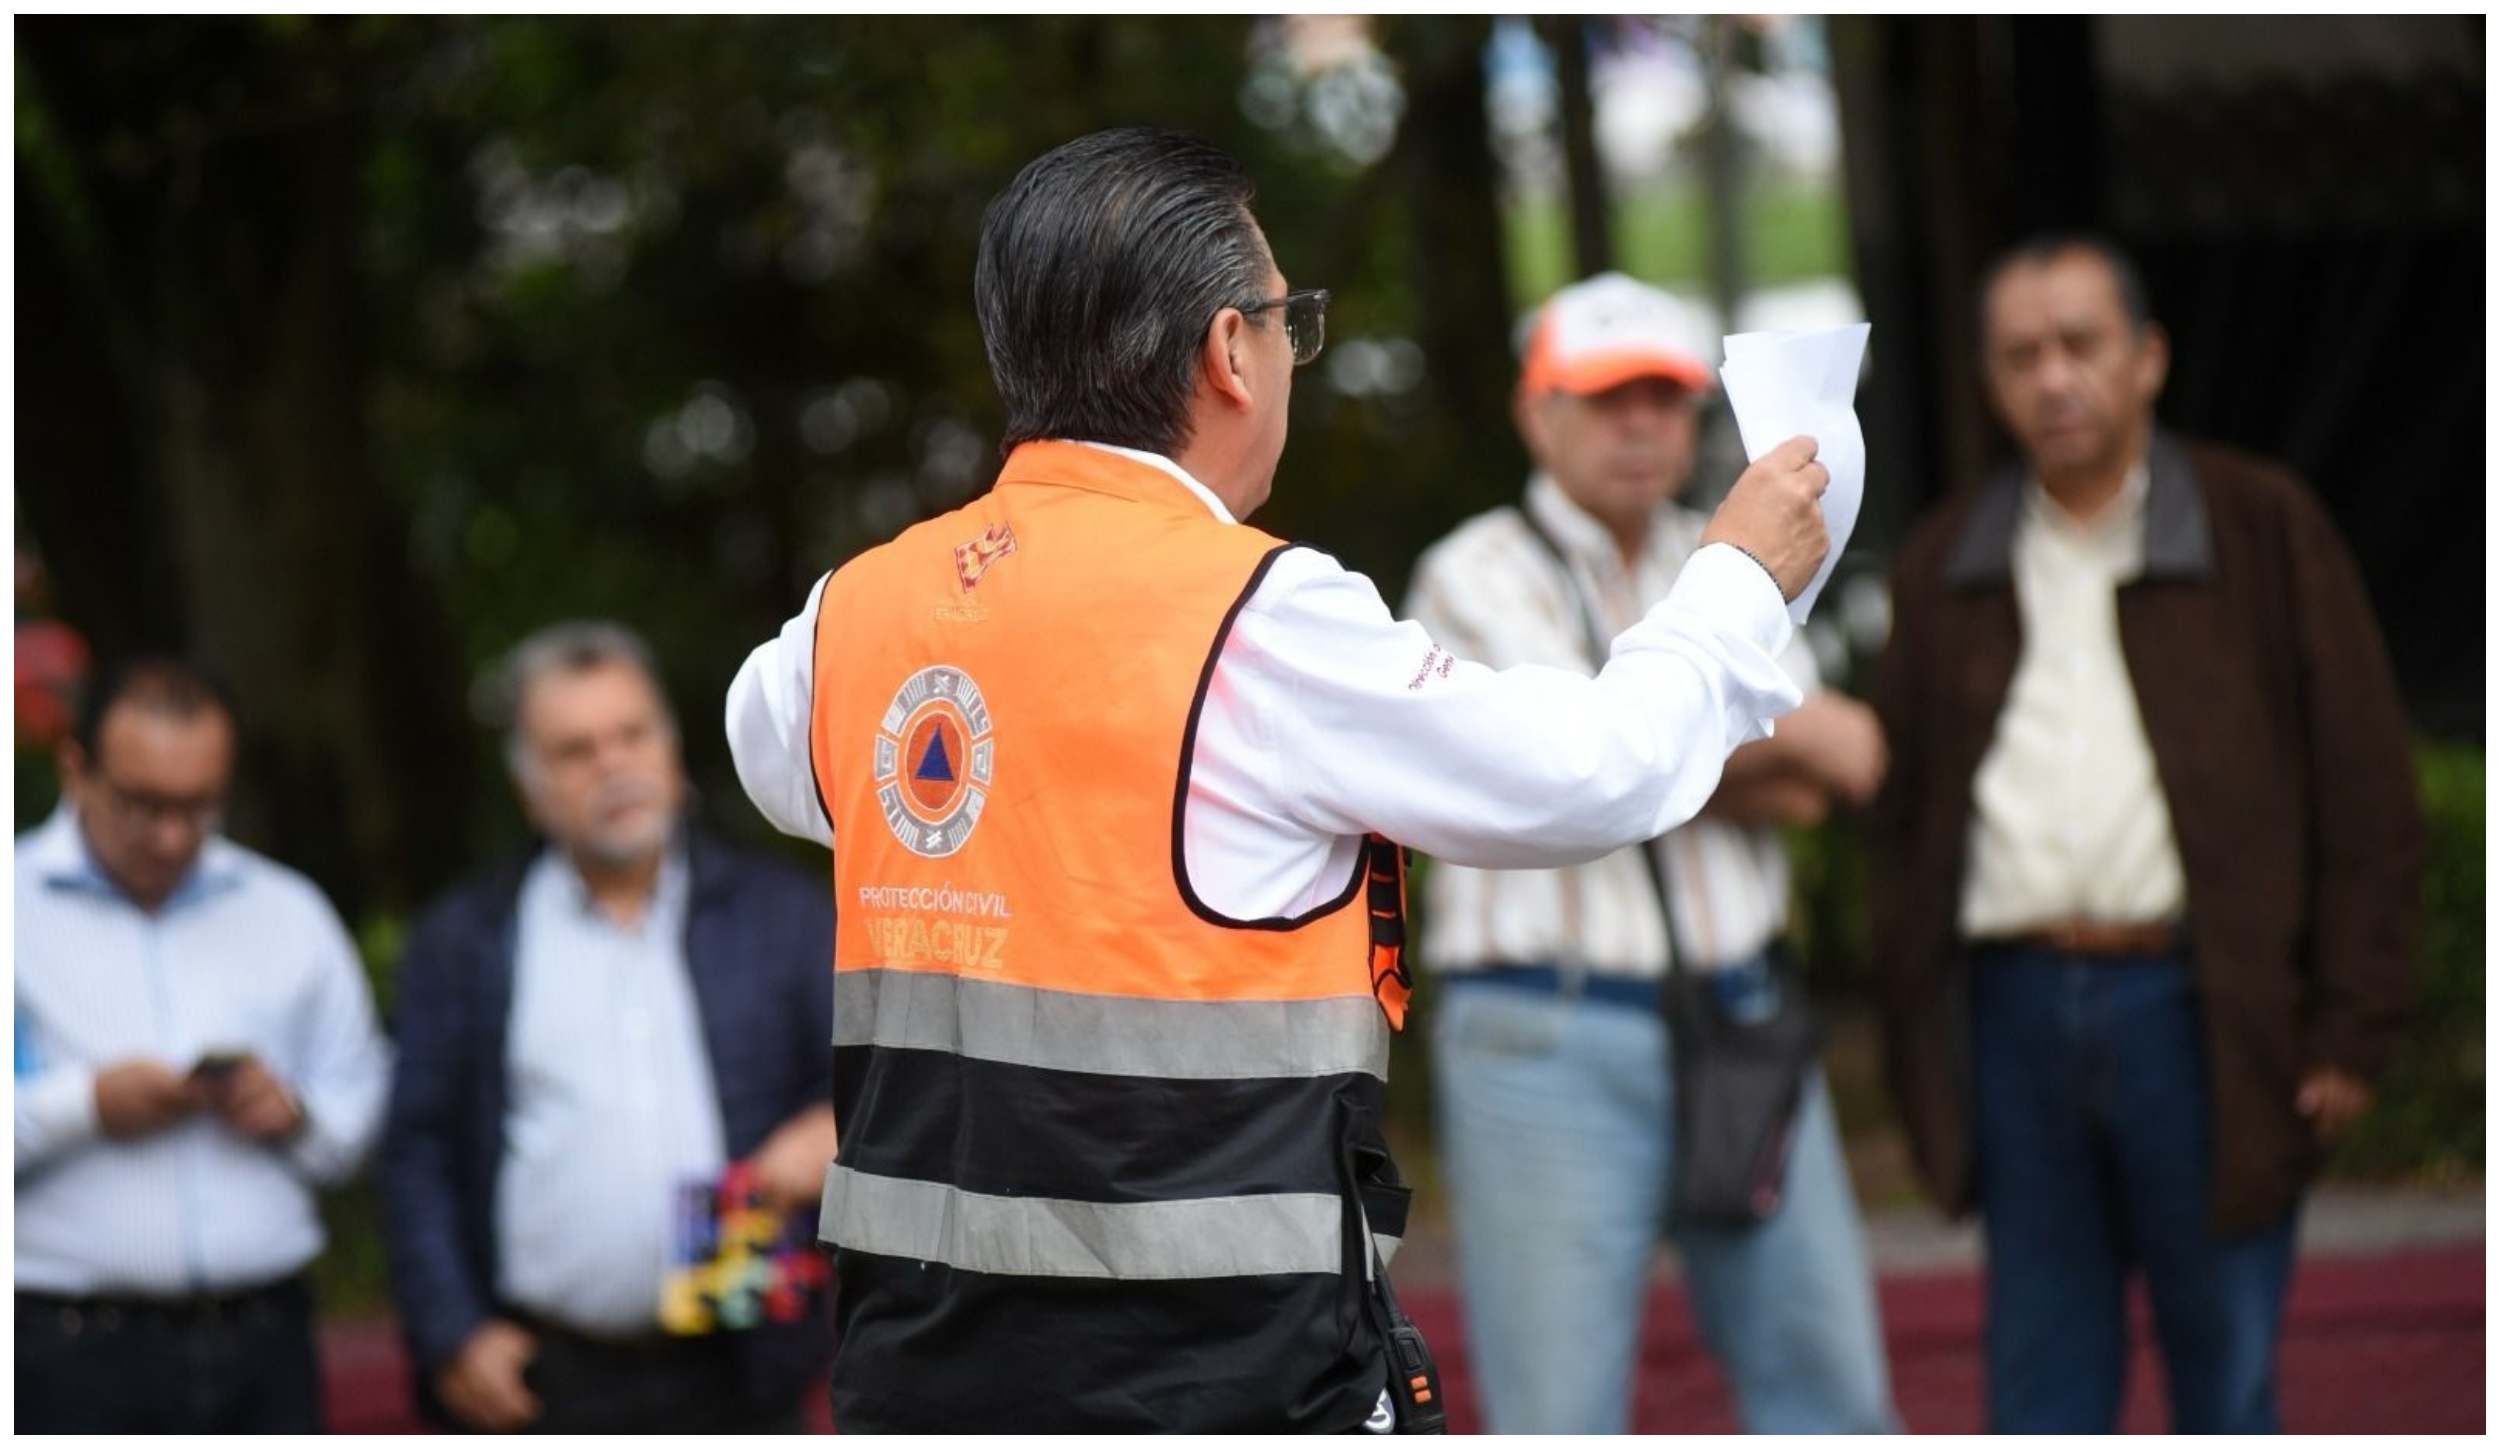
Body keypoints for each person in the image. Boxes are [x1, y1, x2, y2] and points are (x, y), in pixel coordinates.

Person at [724, 126, 1835, 1433]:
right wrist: (1737, 581)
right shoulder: (1259, 615)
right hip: (1217, 1368)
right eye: (1284, 319)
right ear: (1228, 352)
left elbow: (785, 763)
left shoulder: (851, 618)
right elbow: (1597, 772)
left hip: (922, 1374)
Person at [1868, 234, 2424, 1432]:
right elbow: (1903, 826)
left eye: (2082, 344)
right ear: (1989, 383)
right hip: (2009, 1011)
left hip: (2198, 1004)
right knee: (2040, 1378)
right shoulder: (1946, 563)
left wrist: (2349, 1025)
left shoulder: (2257, 525)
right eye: (2021, 356)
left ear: (2148, 358)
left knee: (2222, 1368)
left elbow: (2365, 791)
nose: (2053, 378)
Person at [1402, 272, 1897, 1434]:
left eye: (1666, 400)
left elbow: (1845, 768)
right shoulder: (1467, 575)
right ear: (1538, 416)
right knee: (1556, 1411)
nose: (1641, 426)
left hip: (1743, 1020)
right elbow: (1574, 776)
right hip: (1547, 1034)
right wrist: (1707, 740)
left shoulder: (1732, 543)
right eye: (1606, 397)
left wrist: (1649, 752)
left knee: (1831, 1400)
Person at [378, 621, 838, 1434]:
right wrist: (452, 1333)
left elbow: (877, 1093)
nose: (614, 764)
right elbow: (415, 1149)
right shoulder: (472, 937)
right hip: (544, 1375)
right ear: (530, 785)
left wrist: (830, 1129)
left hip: (737, 1360)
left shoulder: (779, 916)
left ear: (670, 746)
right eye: (576, 749)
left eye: (631, 733)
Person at [14, 657, 391, 1433]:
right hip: (62, 1352)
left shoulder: (288, 910)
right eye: (142, 803)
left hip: (269, 1342)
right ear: (75, 766)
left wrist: (292, 1114)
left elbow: (361, 1107)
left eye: (199, 806)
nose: (170, 835)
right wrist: (85, 1106)